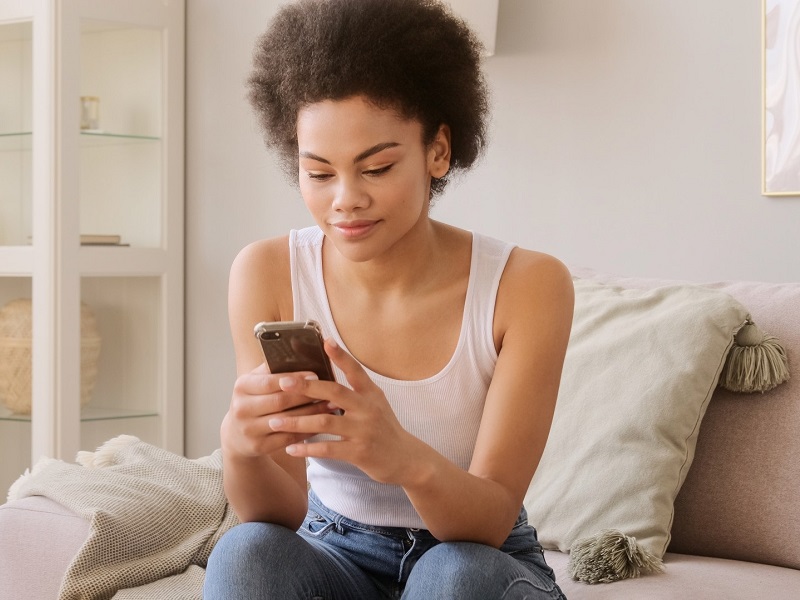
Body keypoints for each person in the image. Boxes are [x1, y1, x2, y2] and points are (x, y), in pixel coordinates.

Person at [203, 0, 574, 598]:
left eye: (375, 167)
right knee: (247, 555)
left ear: (438, 151)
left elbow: (489, 519)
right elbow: (276, 517)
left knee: (454, 576)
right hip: (335, 549)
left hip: (479, 558)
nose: (344, 200)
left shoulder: (526, 286)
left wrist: (398, 454)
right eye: (319, 174)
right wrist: (239, 449)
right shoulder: (267, 272)